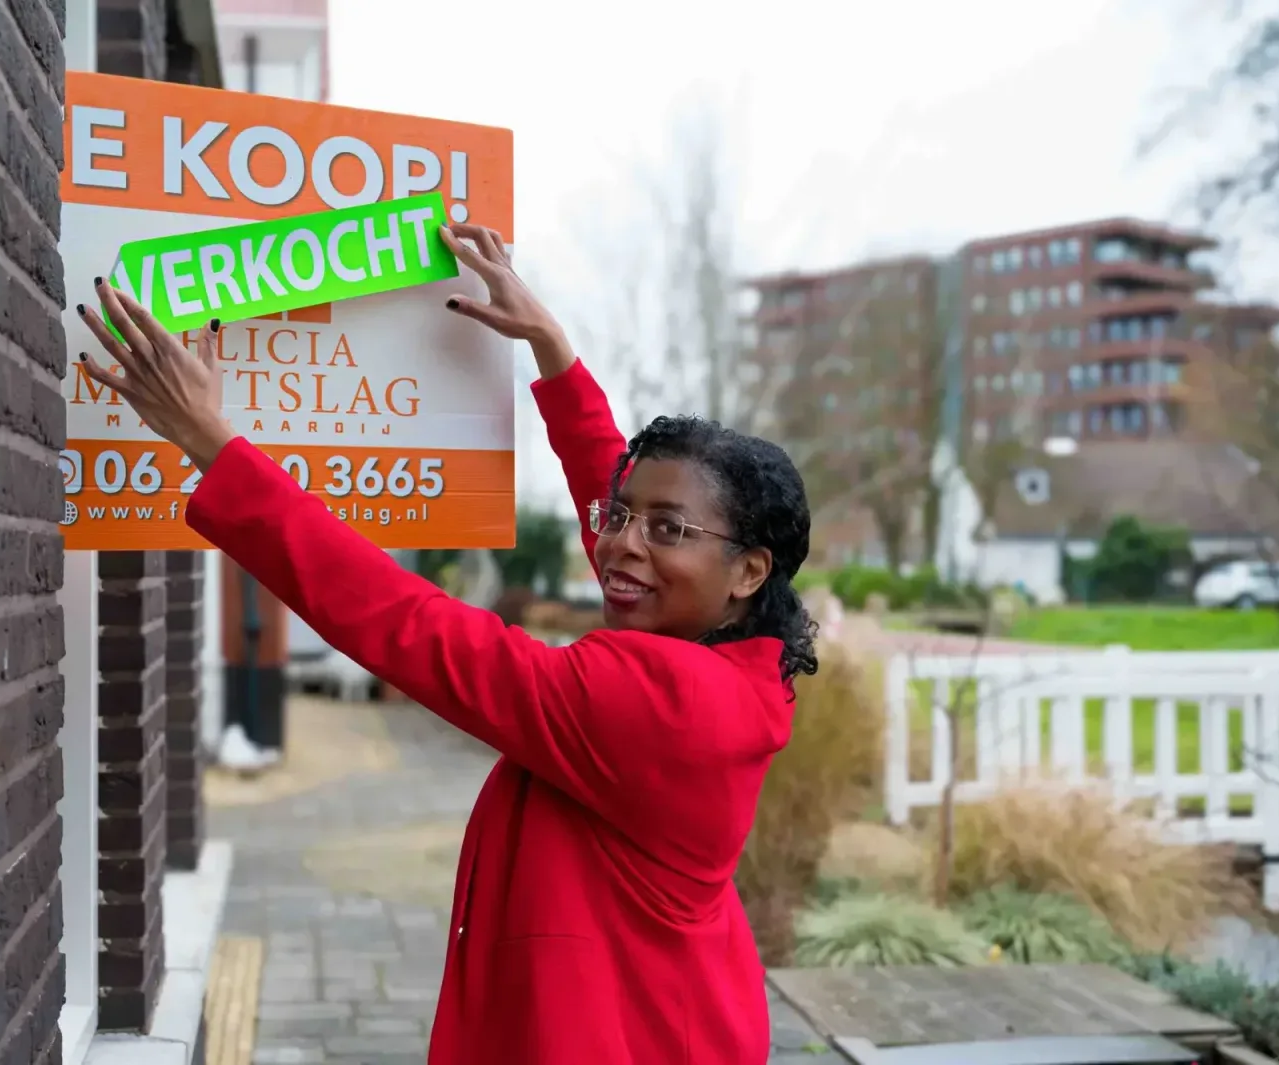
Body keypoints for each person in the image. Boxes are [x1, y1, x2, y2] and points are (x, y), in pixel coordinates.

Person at [76, 223, 819, 1065]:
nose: (620, 544)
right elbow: (624, 509)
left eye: (667, 528)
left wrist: (213, 443)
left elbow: (410, 628)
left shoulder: (666, 702)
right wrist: (554, 353)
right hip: (663, 1014)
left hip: (622, 1037)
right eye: (622, 515)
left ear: (749, 570)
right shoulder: (735, 662)